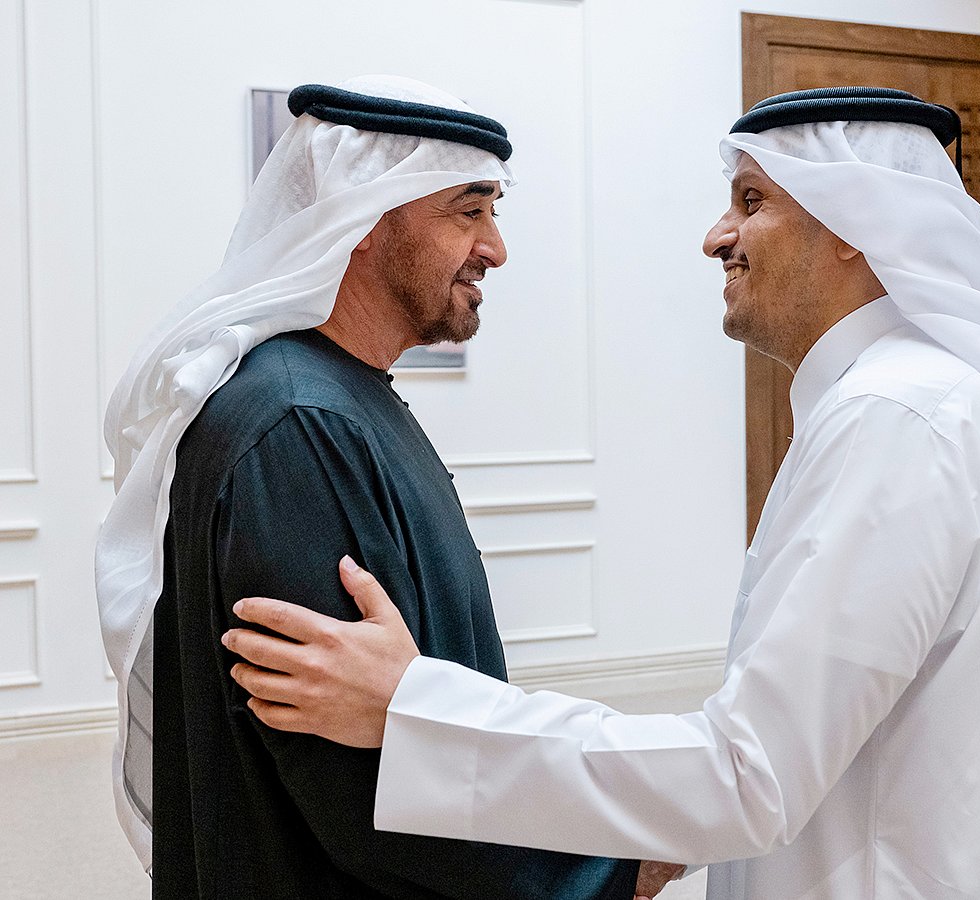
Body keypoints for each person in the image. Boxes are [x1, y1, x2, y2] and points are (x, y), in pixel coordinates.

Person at [224, 88, 980, 899]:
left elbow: (750, 773)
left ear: (855, 222)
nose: (716, 235)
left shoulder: (900, 418)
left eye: (752, 201)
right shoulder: (919, 401)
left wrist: (415, 709)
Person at [96, 76, 641, 898]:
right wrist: (600, 873)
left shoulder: (334, 396)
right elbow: (358, 784)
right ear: (362, 222)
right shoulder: (297, 426)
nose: (495, 247)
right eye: (469, 210)